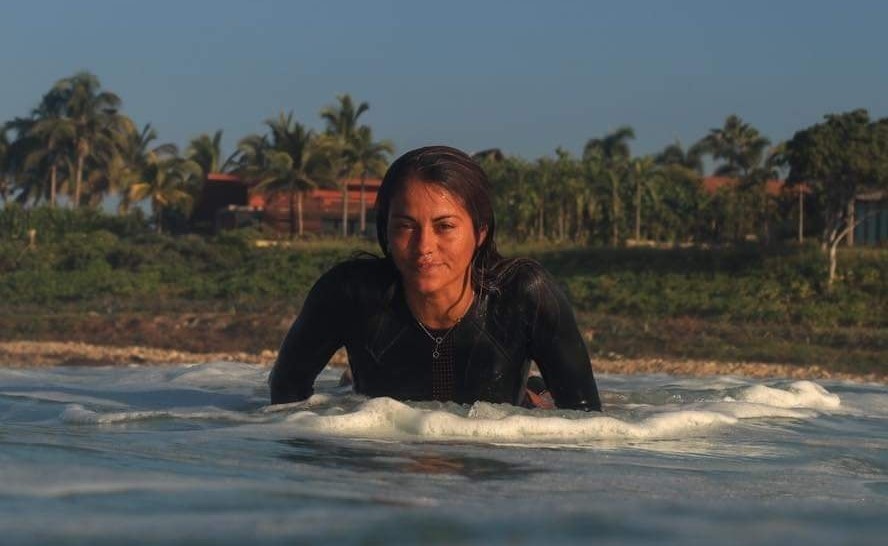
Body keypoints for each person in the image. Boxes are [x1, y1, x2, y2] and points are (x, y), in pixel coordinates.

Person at [269, 146, 602, 411]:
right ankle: (351, 381)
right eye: (405, 226)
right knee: (350, 389)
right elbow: (285, 393)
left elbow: (586, 416)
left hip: (494, 457)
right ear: (384, 229)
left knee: (537, 398)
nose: (424, 247)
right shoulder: (349, 293)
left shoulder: (523, 295)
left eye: (445, 227)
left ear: (481, 231)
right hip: (392, 465)